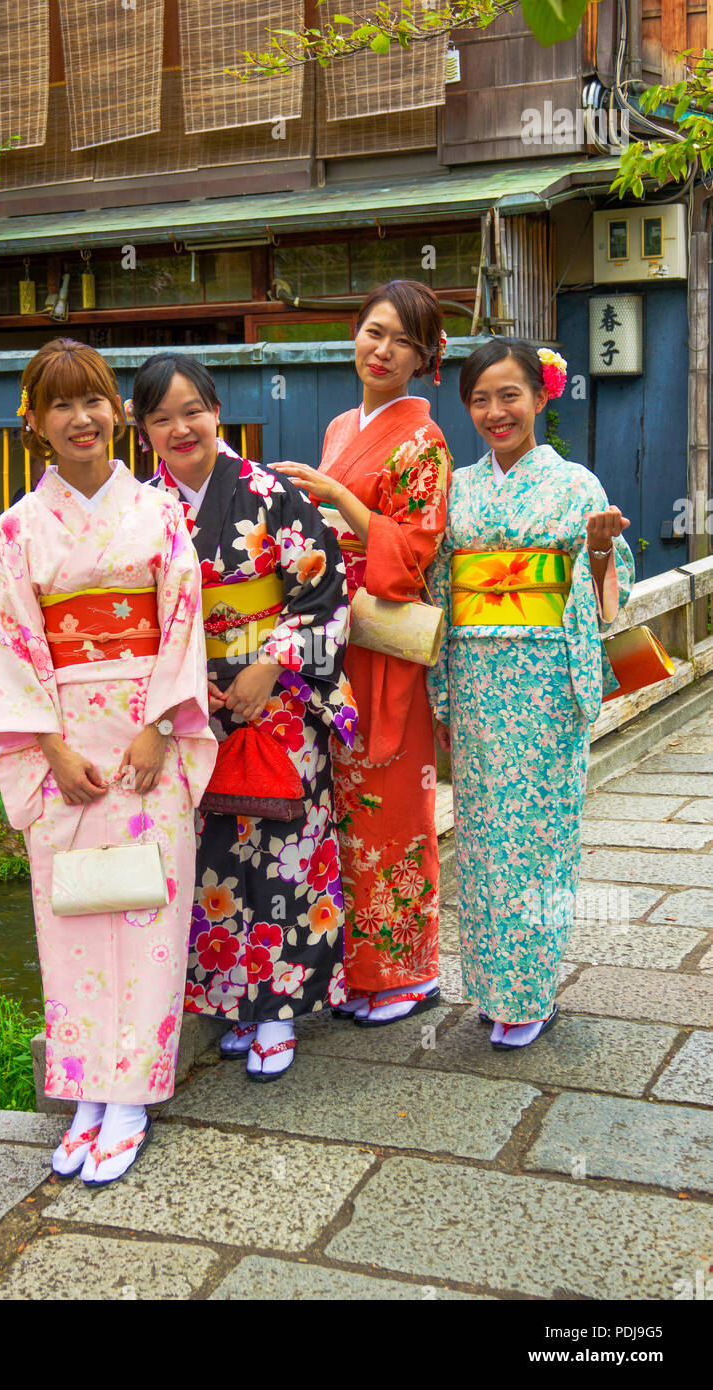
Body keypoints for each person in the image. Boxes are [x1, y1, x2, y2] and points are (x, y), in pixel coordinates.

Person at [0, 338, 215, 1183]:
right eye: (61, 404)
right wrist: (48, 745)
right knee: (72, 916)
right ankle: (83, 1092)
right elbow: (8, 644)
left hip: (150, 739)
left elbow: (182, 619)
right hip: (65, 745)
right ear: (33, 422)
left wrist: (159, 726)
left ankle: (131, 1099)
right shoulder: (16, 531)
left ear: (116, 410)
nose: (82, 418)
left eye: (95, 400)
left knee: (148, 912)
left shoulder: (157, 514)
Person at [131, 353, 356, 1081]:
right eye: (161, 417)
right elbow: (138, 618)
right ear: (142, 432)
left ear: (217, 411)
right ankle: (234, 1002)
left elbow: (323, 587)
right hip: (192, 704)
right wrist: (185, 680)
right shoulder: (141, 510)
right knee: (212, 856)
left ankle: (280, 1013)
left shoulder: (268, 493)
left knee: (284, 847)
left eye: (192, 409)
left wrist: (271, 664)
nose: (180, 427)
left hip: (278, 696)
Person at [427, 338, 634, 1048]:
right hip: (478, 678)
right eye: (480, 399)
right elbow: (440, 591)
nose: (495, 411)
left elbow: (605, 597)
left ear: (541, 398)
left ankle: (531, 991)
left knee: (539, 838)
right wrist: (443, 693)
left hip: (546, 679)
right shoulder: (458, 487)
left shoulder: (577, 486)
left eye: (509, 395)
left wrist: (601, 549)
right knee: (485, 839)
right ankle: (492, 987)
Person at [275, 280, 451, 1027]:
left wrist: (339, 503)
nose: (381, 350)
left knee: (392, 807)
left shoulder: (426, 440)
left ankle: (410, 974)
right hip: (336, 639)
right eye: (373, 332)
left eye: (402, 341)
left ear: (425, 358)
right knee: (342, 809)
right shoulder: (346, 425)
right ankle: (358, 970)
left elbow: (410, 553)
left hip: (384, 636)